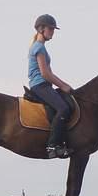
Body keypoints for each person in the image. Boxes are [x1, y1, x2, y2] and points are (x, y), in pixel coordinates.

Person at [28, 14, 74, 159]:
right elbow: (45, 74)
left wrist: (62, 85)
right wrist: (63, 85)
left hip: (44, 85)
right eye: (50, 29)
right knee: (64, 108)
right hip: (40, 85)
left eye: (53, 29)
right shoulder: (39, 48)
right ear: (41, 29)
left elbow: (49, 73)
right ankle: (53, 145)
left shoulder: (40, 47)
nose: (52, 32)